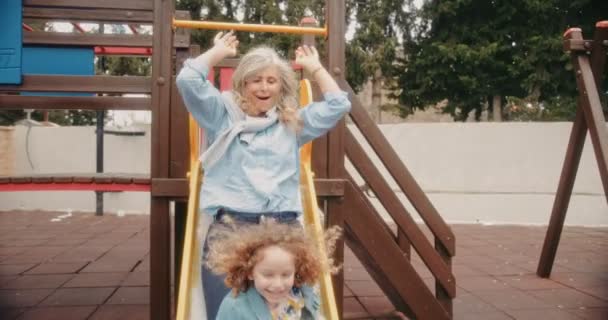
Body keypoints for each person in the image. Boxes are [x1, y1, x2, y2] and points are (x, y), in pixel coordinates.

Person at [176, 31, 351, 319]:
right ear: (243, 83)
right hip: (234, 226)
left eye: (271, 80)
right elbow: (187, 80)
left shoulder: (291, 121)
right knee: (226, 309)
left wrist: (315, 67)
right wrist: (218, 52)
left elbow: (338, 105)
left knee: (293, 312)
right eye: (255, 79)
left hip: (283, 227)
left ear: (281, 87)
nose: (263, 87)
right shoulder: (221, 115)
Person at [205, 218, 341, 320]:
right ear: (250, 272)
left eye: (286, 275)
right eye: (268, 275)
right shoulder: (234, 308)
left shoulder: (302, 293)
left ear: (296, 271)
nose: (278, 285)